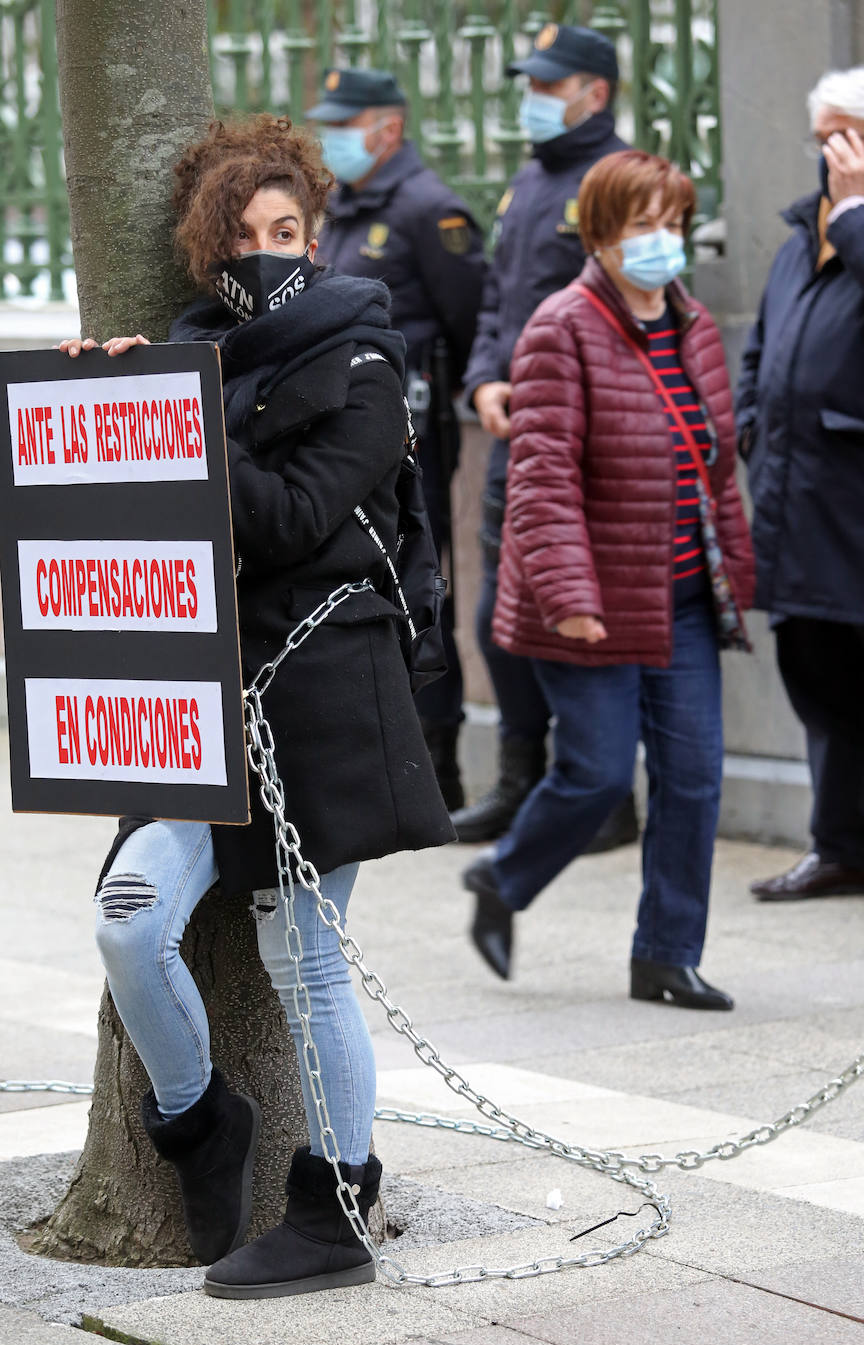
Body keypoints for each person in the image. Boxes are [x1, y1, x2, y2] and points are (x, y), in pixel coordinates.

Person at [60, 114, 454, 1298]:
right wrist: (111, 408)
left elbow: (291, 519)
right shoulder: (196, 362)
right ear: (207, 255)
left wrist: (174, 414)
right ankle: (197, 1121)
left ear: (316, 238)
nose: (266, 253)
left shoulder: (368, 363)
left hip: (321, 692)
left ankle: (336, 1207)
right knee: (130, 921)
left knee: (306, 960)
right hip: (201, 706)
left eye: (286, 230)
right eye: (240, 238)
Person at [462, 149, 755, 1008]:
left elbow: (714, 469)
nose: (662, 240)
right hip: (588, 601)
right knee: (594, 775)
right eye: (641, 225)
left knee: (693, 777)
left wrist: (734, 574)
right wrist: (568, 599)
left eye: (673, 222)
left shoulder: (693, 326)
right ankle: (503, 878)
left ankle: (665, 953)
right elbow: (542, 480)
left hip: (682, 598)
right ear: (598, 234)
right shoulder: (559, 328)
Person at [739, 68, 864, 918]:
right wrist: (751, 424)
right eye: (821, 140)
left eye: (842, 140)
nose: (827, 157)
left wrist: (854, 214)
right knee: (819, 685)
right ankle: (838, 847)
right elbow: (763, 344)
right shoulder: (802, 231)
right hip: (799, 501)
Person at [452, 23, 638, 852]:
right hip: (517, 434)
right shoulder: (528, 182)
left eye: (547, 86)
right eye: (528, 84)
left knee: (583, 616)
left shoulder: (620, 180)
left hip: (587, 442)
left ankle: (602, 793)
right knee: (502, 612)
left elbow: (637, 312)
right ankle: (520, 780)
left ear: (594, 93)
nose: (531, 99)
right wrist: (484, 381)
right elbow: (498, 300)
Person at [304, 67, 486, 810]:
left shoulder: (429, 210)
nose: (332, 138)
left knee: (418, 582)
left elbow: (469, 321)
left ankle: (438, 761)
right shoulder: (340, 208)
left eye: (346, 124)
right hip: (339, 435)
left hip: (413, 434)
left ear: (389, 128)